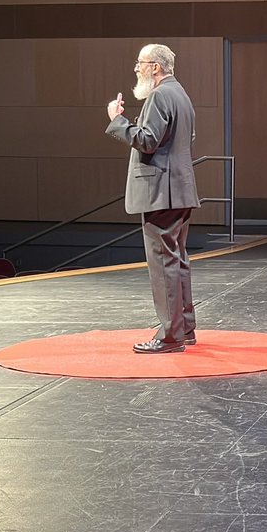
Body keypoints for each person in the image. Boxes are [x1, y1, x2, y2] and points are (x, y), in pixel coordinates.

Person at [105, 44, 199, 353]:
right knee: (177, 260)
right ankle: (184, 329)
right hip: (180, 188)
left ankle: (171, 336)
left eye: (140, 63)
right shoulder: (181, 94)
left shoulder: (160, 95)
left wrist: (118, 120)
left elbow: (147, 141)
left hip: (162, 192)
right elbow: (184, 139)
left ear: (155, 67)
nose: (136, 68)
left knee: (163, 263)